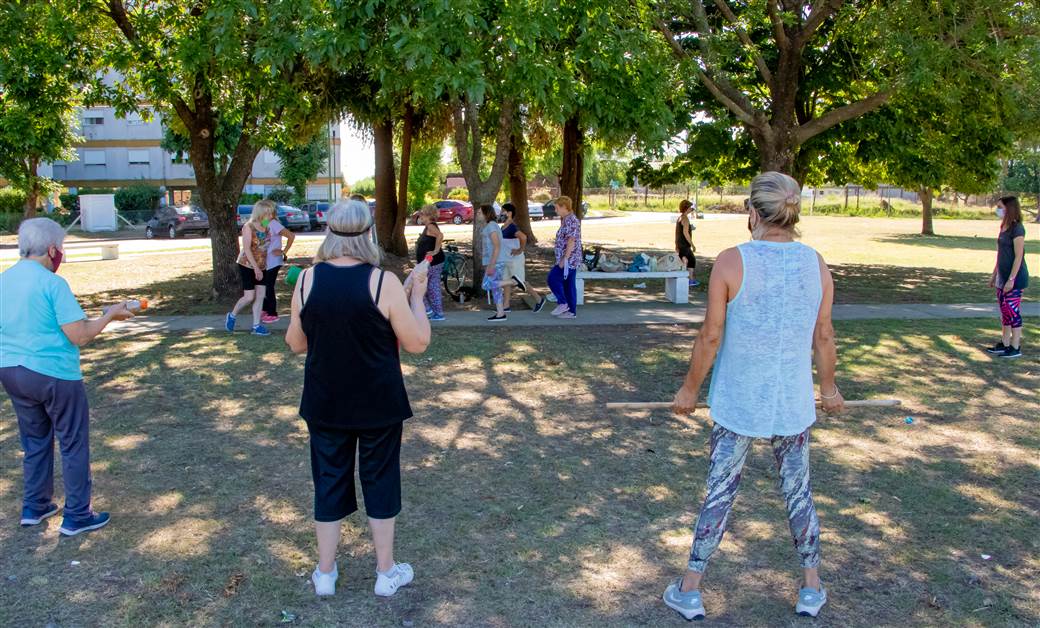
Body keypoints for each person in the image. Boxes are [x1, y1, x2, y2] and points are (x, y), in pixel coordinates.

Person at [664, 172, 845, 621]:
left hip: (742, 401)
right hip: (784, 403)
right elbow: (824, 336)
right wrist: (828, 387)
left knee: (720, 492)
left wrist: (689, 389)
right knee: (798, 492)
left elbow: (710, 337)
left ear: (753, 212)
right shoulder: (815, 263)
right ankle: (811, 587)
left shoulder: (731, 261)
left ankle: (690, 588)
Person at [285, 199, 431, 598]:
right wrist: (417, 296)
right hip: (377, 404)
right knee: (380, 480)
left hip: (326, 402)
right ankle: (385, 573)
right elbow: (417, 341)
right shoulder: (382, 281)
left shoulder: (307, 280)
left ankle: (326, 574)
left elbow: (295, 342)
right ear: (369, 233)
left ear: (329, 233)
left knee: (327, 481)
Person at [0, 218, 135, 536]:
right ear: (51, 249)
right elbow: (80, 334)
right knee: (73, 442)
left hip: (12, 372)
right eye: (60, 249)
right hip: (54, 375)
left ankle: (35, 505)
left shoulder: (5, 280)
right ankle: (77, 514)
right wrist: (109, 315)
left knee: (34, 441)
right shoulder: (52, 284)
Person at [985, 196, 1029, 358]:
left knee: (1013, 311)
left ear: (1009, 208)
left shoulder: (1018, 229)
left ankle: (1015, 347)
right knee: (1005, 312)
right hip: (1002, 277)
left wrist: (1011, 280)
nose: (998, 210)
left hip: (1015, 278)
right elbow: (1000, 254)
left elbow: (1018, 256)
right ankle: (1004, 343)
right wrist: (994, 275)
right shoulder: (1003, 227)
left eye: (1000, 207)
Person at [226, 199, 273, 336]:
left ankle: (256, 326)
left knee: (260, 295)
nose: (271, 216)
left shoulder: (266, 225)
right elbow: (246, 249)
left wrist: (264, 265)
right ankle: (232, 315)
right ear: (261, 213)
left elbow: (264, 245)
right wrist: (256, 269)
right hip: (247, 265)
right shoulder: (248, 227)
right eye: (268, 213)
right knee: (249, 296)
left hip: (262, 265)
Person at [546, 196, 582, 319]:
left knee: (553, 278)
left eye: (557, 208)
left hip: (569, 260)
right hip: (570, 260)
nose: (555, 210)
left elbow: (571, 240)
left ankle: (563, 303)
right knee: (568, 285)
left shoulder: (571, 220)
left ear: (564, 207)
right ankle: (571, 311)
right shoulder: (567, 220)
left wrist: (564, 259)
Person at [261, 210, 295, 324]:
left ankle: (272, 313)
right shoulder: (266, 222)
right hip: (266, 261)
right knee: (264, 286)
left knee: (268, 287)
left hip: (274, 261)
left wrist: (283, 251)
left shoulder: (274, 224)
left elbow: (291, 236)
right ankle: (265, 310)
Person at [415, 205, 446, 321]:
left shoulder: (431, 226)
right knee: (431, 287)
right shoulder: (429, 226)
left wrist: (436, 250)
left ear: (428, 215)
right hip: (430, 262)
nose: (420, 216)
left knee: (419, 285)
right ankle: (436, 312)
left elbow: (440, 235)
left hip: (432, 263)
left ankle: (431, 311)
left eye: (422, 213)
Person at [480, 204, 509, 322]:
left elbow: (497, 246)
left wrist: (491, 265)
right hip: (494, 261)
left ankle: (512, 281)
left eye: (479, 213)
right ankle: (500, 313)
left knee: (487, 284)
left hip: (496, 262)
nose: (477, 215)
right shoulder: (490, 226)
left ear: (485, 213)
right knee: (496, 289)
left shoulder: (491, 226)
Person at [675, 199, 699, 287]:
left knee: (688, 260)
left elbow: (677, 232)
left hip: (680, 244)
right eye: (690, 207)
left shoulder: (680, 217)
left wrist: (676, 245)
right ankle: (688, 280)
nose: (691, 209)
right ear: (686, 208)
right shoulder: (685, 218)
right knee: (690, 261)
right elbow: (685, 233)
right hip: (684, 244)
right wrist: (692, 244)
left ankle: (689, 280)